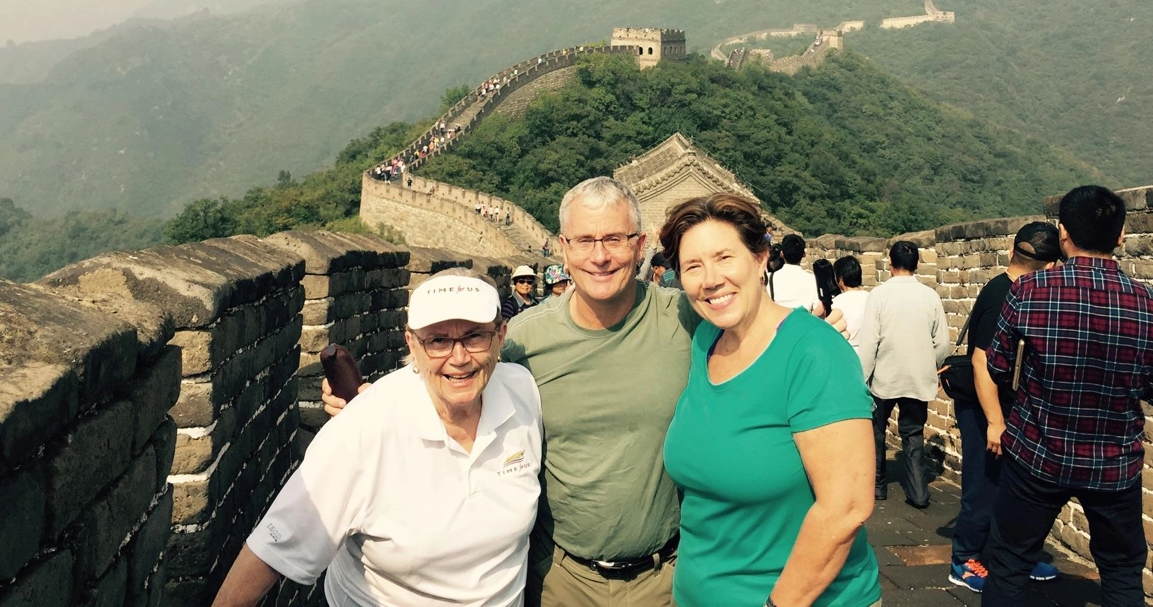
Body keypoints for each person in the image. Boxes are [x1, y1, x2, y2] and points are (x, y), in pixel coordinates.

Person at [324, 177, 848, 606]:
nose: (601, 257)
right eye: (585, 241)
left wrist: (814, 333)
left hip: (669, 577)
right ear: (563, 247)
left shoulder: (687, 320)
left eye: (615, 240)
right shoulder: (524, 340)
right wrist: (378, 404)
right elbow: (453, 373)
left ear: (639, 247)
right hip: (561, 580)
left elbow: (754, 329)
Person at [213, 270, 542, 606]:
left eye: (475, 337)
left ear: (500, 335)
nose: (459, 359)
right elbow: (272, 550)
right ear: (412, 342)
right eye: (438, 340)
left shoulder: (523, 392)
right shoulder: (366, 428)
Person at [659, 194, 881, 607]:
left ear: (761, 258)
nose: (710, 279)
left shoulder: (814, 353)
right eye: (693, 266)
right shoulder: (707, 339)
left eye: (724, 257)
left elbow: (846, 507)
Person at [981, 186, 1153, 606]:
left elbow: (997, 367)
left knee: (1011, 563)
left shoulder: (1029, 292)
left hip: (1037, 452)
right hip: (1114, 463)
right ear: (1121, 234)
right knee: (1122, 573)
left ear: (1063, 233)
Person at [947, 222, 1061, 593]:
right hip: (984, 408)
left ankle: (1005, 554)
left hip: (1006, 407)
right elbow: (981, 363)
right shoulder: (1003, 295)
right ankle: (964, 560)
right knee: (982, 485)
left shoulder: (1020, 291)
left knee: (1006, 486)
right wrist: (995, 422)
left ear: (1013, 250)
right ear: (1050, 266)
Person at [854, 240, 951, 508]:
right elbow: (942, 343)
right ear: (917, 264)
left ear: (890, 264)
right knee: (913, 434)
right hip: (918, 378)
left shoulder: (879, 295)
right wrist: (932, 365)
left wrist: (861, 378)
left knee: (876, 432)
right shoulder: (930, 296)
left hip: (884, 377)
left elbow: (870, 342)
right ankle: (918, 492)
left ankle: (878, 486)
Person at [766, 234, 816, 310]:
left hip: (778, 320)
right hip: (802, 320)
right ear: (804, 254)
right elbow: (817, 307)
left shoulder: (769, 278)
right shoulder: (813, 280)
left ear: (782, 254)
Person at [830, 255, 869, 349]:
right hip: (869, 352)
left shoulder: (837, 302)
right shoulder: (871, 297)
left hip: (847, 352)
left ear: (840, 280)